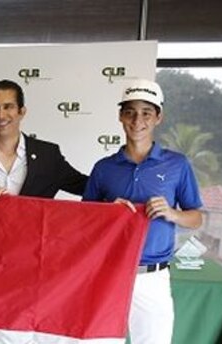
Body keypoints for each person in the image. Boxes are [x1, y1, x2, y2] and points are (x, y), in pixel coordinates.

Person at [82, 79, 203, 344]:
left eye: (146, 113)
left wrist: (172, 213)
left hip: (152, 277)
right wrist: (106, 212)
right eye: (130, 112)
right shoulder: (104, 168)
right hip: (107, 273)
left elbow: (196, 217)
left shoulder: (177, 164)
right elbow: (84, 221)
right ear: (120, 116)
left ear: (158, 117)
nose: (138, 120)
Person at [0, 79, 88, 198]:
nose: (0, 115)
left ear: (22, 112)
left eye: (8, 107)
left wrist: (105, 169)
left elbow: (87, 187)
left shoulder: (48, 156)